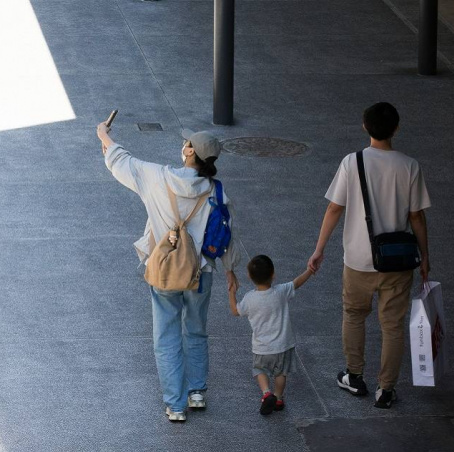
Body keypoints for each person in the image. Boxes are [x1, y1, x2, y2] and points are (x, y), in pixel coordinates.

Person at [96, 123, 241, 422]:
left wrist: (103, 134)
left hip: (165, 270)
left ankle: (175, 405)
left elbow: (121, 161)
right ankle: (197, 392)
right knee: (197, 330)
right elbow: (226, 233)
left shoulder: (158, 177)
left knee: (166, 336)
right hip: (200, 272)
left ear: (189, 152)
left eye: (186, 142)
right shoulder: (217, 190)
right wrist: (230, 271)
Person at [308, 102, 431, 409]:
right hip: (398, 260)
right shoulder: (410, 165)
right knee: (392, 325)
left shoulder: (353, 162)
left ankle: (354, 375)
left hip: (359, 259)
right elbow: (416, 217)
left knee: (353, 315)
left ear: (365, 126)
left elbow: (335, 207)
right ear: (397, 129)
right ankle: (386, 389)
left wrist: (319, 248)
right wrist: (425, 257)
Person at [231, 255, 313, 415]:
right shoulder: (281, 292)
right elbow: (297, 283)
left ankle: (266, 392)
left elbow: (235, 311)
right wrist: (310, 270)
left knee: (259, 370)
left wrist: (231, 292)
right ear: (273, 274)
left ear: (249, 276)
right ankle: (278, 396)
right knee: (280, 373)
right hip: (282, 346)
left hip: (261, 348)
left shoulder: (249, 298)